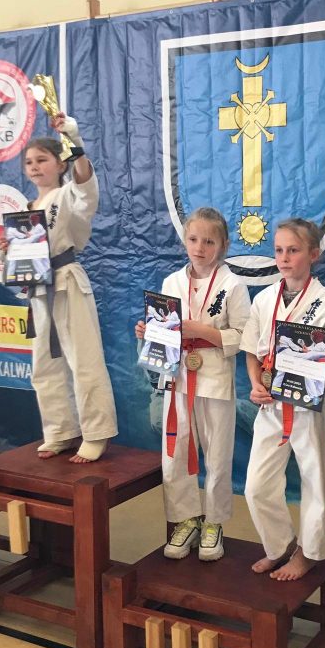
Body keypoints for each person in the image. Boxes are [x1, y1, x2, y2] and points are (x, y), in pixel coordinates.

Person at [0, 113, 117, 464]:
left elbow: (86, 189)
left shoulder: (66, 195)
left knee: (84, 361)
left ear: (60, 164)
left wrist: (73, 139)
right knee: (44, 365)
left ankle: (96, 432)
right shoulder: (25, 209)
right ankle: (60, 430)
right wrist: (7, 250)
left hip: (66, 284)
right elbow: (22, 258)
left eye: (42, 160)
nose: (35, 167)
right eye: (29, 162)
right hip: (38, 289)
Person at [135, 207, 250, 561]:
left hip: (214, 378)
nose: (200, 248)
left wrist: (201, 331)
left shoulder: (233, 285)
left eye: (209, 242)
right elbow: (166, 328)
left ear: (224, 245)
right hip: (178, 376)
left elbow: (244, 336)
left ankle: (214, 522)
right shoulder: (172, 282)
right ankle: (186, 519)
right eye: (194, 239)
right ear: (185, 240)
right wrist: (149, 333)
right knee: (175, 451)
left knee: (217, 454)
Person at [241, 218, 325, 581]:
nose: (284, 258)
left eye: (294, 250)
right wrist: (255, 383)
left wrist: (323, 369)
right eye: (279, 250)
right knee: (256, 486)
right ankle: (281, 545)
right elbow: (252, 351)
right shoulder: (264, 299)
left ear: (313, 255)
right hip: (270, 406)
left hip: (308, 409)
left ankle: (309, 553)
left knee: (314, 482)